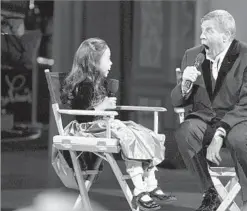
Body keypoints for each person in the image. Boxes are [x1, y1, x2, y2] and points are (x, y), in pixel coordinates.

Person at [61, 38, 176, 211]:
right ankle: (139, 189)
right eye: (107, 58)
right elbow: (82, 117)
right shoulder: (84, 85)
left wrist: (107, 105)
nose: (111, 63)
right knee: (127, 135)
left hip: (103, 127)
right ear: (94, 61)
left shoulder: (99, 84)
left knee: (142, 133)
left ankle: (150, 183)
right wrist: (104, 106)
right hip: (87, 129)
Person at [171, 10, 247, 211]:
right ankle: (210, 192)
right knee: (185, 131)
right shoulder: (192, 55)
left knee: (238, 138)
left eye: (209, 31)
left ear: (226, 36)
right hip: (206, 119)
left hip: (243, 119)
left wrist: (221, 132)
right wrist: (184, 85)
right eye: (201, 31)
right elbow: (177, 102)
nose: (201, 36)